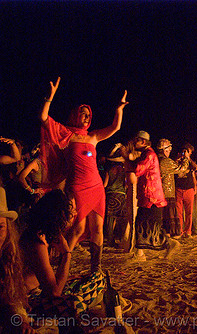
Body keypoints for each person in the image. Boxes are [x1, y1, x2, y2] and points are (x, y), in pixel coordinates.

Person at [39, 77, 127, 273]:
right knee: (76, 229)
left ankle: (95, 269)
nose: (87, 117)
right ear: (75, 115)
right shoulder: (66, 134)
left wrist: (119, 110)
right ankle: (62, 264)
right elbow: (44, 118)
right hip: (77, 186)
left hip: (96, 187)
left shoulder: (93, 136)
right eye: (83, 114)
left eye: (89, 115)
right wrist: (49, 97)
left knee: (98, 228)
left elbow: (116, 127)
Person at [20, 190, 106, 332]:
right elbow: (54, 292)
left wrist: (70, 278)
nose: (74, 214)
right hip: (28, 300)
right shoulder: (36, 242)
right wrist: (67, 254)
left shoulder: (46, 234)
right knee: (72, 303)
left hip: (41, 290)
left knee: (97, 278)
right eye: (70, 210)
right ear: (58, 214)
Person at [122, 131, 176, 261]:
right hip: (149, 197)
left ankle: (167, 245)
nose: (134, 143)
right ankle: (142, 252)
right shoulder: (147, 154)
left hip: (152, 198)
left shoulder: (149, 154)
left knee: (145, 225)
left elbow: (138, 169)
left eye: (136, 141)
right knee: (145, 225)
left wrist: (125, 157)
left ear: (143, 142)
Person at [0, 187, 35, 334]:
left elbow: (9, 298)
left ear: (8, 229)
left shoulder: (8, 257)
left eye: (0, 227)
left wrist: (19, 320)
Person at [156, 139, 189, 237]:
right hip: (166, 193)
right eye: (169, 149)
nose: (170, 151)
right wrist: (186, 159)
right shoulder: (165, 161)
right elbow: (181, 169)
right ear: (165, 150)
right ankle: (168, 235)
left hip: (161, 192)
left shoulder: (159, 159)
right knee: (168, 217)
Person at [102, 144, 127, 248]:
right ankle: (120, 238)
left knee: (110, 219)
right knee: (120, 218)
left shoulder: (109, 170)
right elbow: (126, 184)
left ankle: (110, 239)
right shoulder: (124, 170)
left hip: (111, 195)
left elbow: (105, 184)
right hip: (121, 195)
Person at [174, 143, 197, 239]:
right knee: (179, 212)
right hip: (179, 188)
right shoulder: (177, 160)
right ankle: (180, 231)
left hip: (189, 188)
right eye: (184, 151)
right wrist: (178, 159)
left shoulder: (190, 162)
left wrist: (188, 158)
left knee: (189, 212)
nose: (185, 153)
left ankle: (188, 231)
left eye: (188, 152)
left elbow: (195, 168)